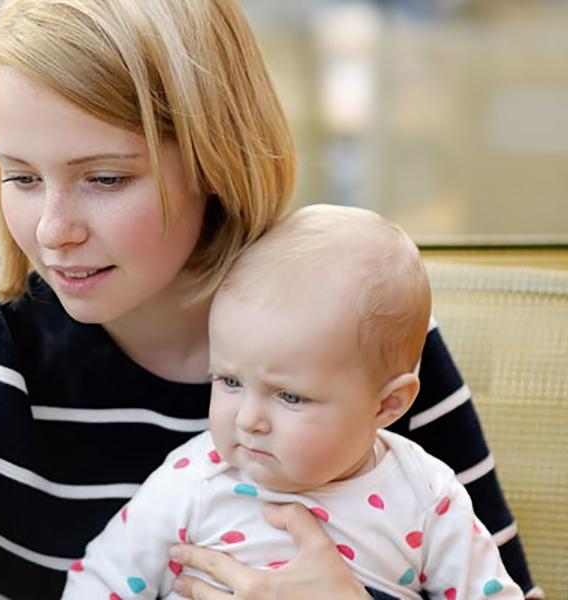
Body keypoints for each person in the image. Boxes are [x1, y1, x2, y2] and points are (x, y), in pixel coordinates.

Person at [0, 1, 536, 599]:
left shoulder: (350, 334)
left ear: (213, 157)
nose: (54, 230)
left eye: (105, 179)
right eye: (22, 177)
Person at [62, 204, 524, 600]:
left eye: (289, 396)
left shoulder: (425, 496)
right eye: (228, 380)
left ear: (388, 405)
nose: (248, 420)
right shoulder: (194, 480)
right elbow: (101, 581)